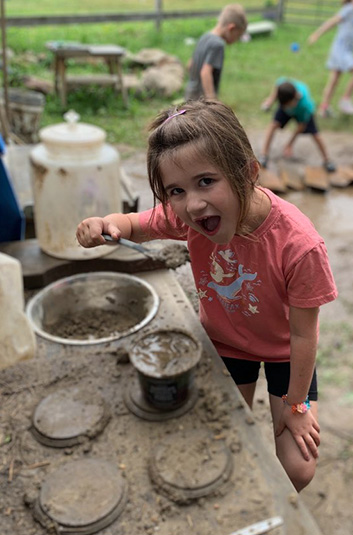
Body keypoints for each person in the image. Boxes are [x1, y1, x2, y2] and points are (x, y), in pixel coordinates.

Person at [76, 99, 338, 492]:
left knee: (298, 468)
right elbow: (132, 223)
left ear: (247, 172)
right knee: (227, 435)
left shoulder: (299, 246)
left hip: (286, 352)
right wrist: (103, 223)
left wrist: (296, 407)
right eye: (176, 190)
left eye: (206, 181)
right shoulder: (189, 219)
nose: (194, 204)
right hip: (227, 343)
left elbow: (304, 336)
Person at [308, 0, 353, 118]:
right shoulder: (348, 9)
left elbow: (350, 30)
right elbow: (332, 22)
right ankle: (345, 100)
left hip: (347, 50)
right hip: (340, 50)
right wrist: (316, 34)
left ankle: (324, 108)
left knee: (334, 80)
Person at [259, 77, 336, 172]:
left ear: (295, 97)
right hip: (287, 108)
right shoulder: (283, 87)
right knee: (273, 125)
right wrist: (270, 101)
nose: (287, 106)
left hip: (302, 112)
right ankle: (264, 155)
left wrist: (290, 144)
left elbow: (301, 126)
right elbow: (277, 87)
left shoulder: (305, 106)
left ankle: (327, 160)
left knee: (316, 135)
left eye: (289, 104)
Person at [185, 4, 247, 100]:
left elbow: (190, 64)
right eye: (238, 35)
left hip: (190, 94)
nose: (236, 39)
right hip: (201, 100)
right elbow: (205, 72)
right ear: (231, 28)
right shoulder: (218, 44)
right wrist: (212, 100)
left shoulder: (204, 37)